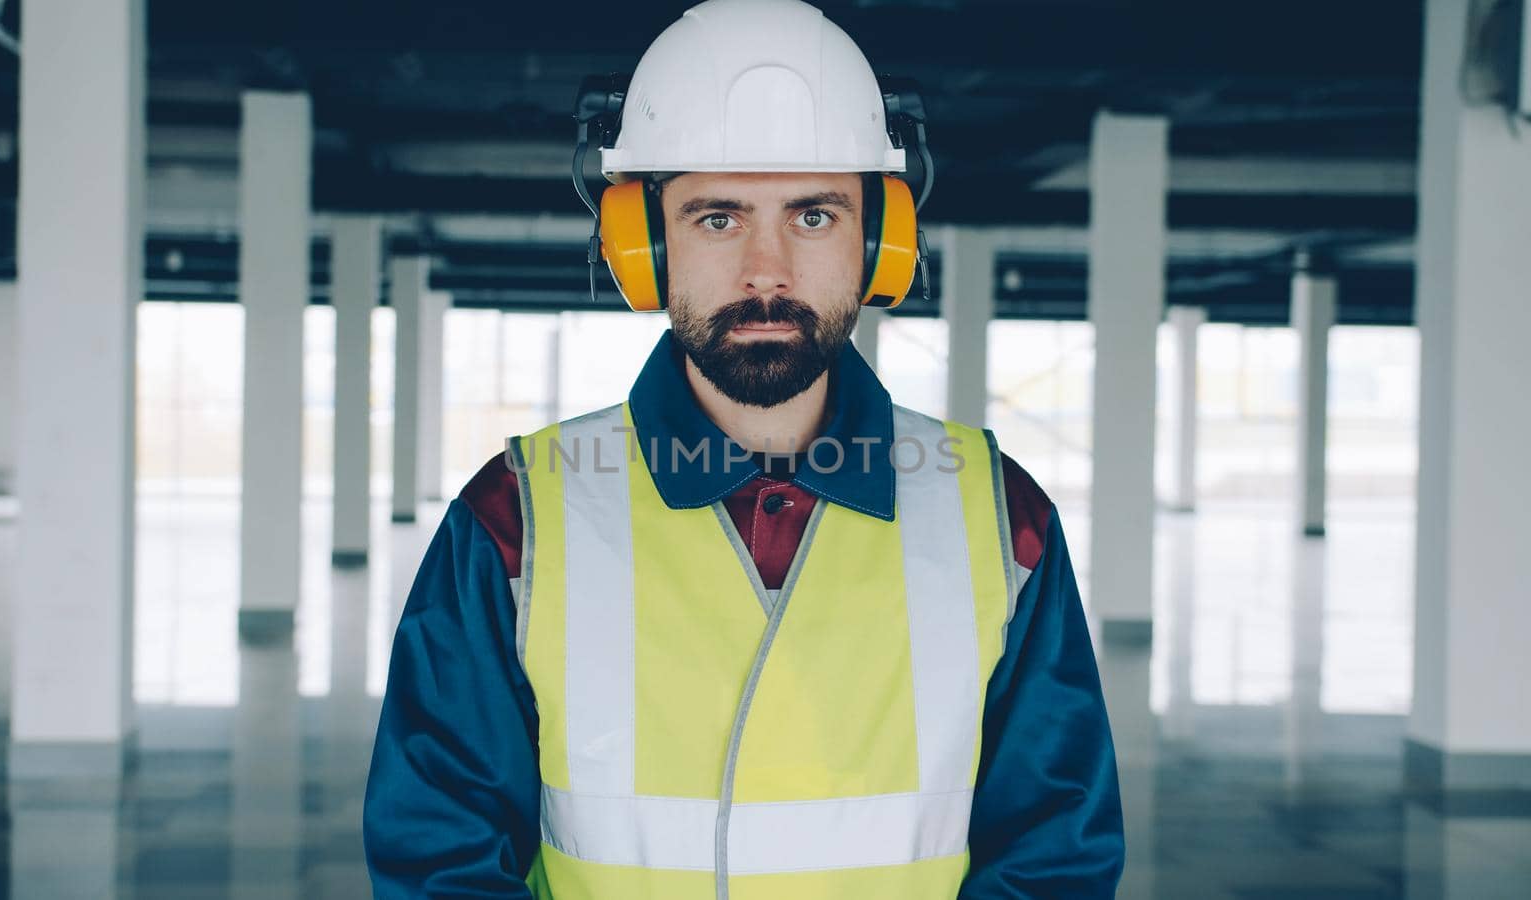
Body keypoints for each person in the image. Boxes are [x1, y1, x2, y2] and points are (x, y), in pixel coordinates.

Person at [363, 1, 1123, 897]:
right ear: (643, 249)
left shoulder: (1001, 517)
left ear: (879, 241)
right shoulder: (517, 517)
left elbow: (1055, 859)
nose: (769, 269)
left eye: (814, 217)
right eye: (718, 218)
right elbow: (438, 853)